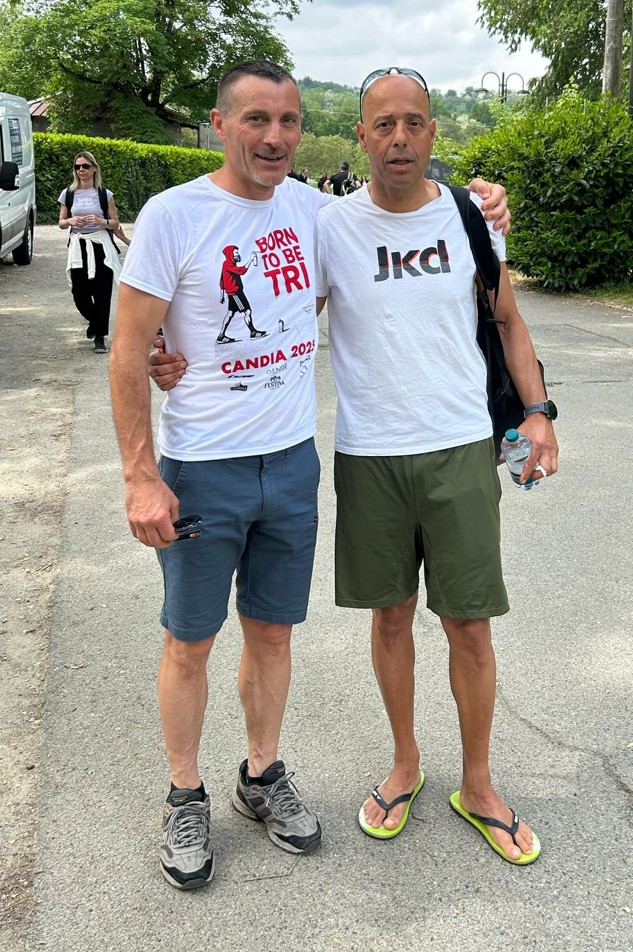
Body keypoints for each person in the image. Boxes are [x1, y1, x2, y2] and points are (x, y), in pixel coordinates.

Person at [124, 59, 510, 891]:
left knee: (272, 634)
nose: (274, 137)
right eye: (255, 119)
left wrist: (485, 204)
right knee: (189, 641)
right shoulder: (172, 214)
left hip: (293, 460)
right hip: (204, 466)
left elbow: (334, 296)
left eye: (288, 121)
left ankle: (261, 774)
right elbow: (128, 350)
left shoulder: (314, 213)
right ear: (219, 124)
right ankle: (184, 793)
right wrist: (140, 473)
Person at [313, 66, 558, 864]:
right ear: (360, 135)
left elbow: (507, 320)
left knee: (469, 626)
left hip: (459, 447)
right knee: (389, 617)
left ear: (432, 131)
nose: (399, 138)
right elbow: (280, 321)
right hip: (370, 454)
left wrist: (536, 412)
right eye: (383, 124)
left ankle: (478, 784)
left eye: (413, 122)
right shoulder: (329, 227)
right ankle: (405, 763)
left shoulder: (471, 216)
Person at [58, 151, 121, 353]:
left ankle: (100, 337)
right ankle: (95, 323)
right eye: (77, 167)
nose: (81, 170)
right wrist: (69, 221)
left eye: (85, 166)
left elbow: (115, 222)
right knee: (79, 293)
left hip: (100, 245)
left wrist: (101, 221)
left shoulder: (104, 194)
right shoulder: (68, 193)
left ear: (94, 168)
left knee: (102, 292)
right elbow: (61, 222)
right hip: (79, 245)